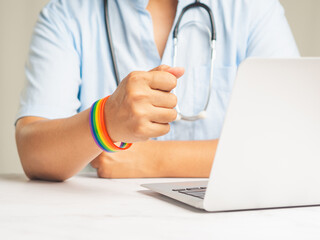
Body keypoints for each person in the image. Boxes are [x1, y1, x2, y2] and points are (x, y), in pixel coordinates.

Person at [15, 0, 299, 181]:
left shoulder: (255, 9)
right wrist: (106, 120)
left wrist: (154, 160)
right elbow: (34, 153)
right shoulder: (65, 15)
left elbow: (291, 146)